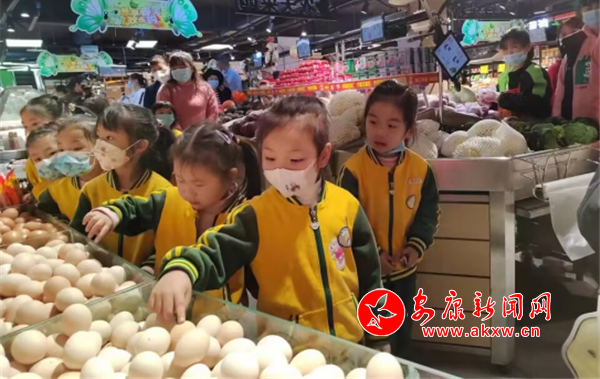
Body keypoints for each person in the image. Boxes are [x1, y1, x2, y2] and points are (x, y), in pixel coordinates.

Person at [148, 97, 386, 349]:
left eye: (295, 161)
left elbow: (371, 278)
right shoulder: (255, 215)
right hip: (286, 351)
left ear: (323, 155)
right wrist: (181, 270)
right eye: (270, 159)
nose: (280, 170)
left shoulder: (346, 205)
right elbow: (214, 249)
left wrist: (380, 337)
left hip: (352, 345)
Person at [78, 122, 262, 303]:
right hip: (164, 303)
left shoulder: (242, 217)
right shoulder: (169, 199)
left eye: (199, 184)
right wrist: (113, 213)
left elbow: (220, 258)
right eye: (180, 180)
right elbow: (137, 208)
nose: (187, 191)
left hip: (219, 312)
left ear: (230, 177)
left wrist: (183, 269)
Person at [338, 80, 439, 355]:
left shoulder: (421, 170)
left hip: (405, 273)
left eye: (392, 125)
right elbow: (346, 222)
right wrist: (375, 255)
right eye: (373, 122)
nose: (380, 132)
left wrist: (416, 247)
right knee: (372, 338)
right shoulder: (353, 170)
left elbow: (428, 213)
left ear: (409, 130)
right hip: (367, 274)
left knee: (401, 336)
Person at [69, 104, 174, 265]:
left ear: (140, 146)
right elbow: (78, 236)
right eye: (99, 137)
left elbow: (165, 245)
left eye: (110, 138)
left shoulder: (162, 192)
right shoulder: (92, 189)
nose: (100, 145)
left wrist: (147, 269)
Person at [37, 116, 104, 221]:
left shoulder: (119, 184)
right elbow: (42, 214)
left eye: (77, 148)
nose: (66, 155)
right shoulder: (57, 190)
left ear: (101, 147)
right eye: (61, 150)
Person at [553, 0, 599, 122]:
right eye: (588, 7)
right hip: (581, 131)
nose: (594, 12)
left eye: (598, 6)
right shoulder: (574, 45)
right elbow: (560, 95)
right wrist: (558, 124)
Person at [495, 29, 552, 119]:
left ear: (528, 47)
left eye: (514, 47)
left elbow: (537, 104)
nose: (510, 52)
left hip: (532, 126)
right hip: (506, 125)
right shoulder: (503, 77)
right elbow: (498, 106)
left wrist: (500, 97)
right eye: (505, 49)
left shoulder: (536, 73)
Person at [157, 51, 219, 130]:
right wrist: (179, 133)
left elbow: (213, 112)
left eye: (182, 67)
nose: (178, 70)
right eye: (174, 68)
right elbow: (163, 116)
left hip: (202, 134)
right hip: (176, 135)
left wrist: (206, 131)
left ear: (192, 68)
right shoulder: (166, 89)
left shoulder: (205, 87)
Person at [21, 95, 65, 188]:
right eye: (25, 127)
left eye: (35, 124)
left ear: (58, 122)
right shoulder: (33, 160)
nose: (29, 131)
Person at [25, 123, 62, 200]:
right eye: (38, 159)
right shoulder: (40, 191)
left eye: (52, 153)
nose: (46, 162)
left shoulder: (82, 183)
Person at [549, 17, 585, 93]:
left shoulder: (591, 62)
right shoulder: (555, 69)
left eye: (573, 33)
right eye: (563, 35)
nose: (568, 38)